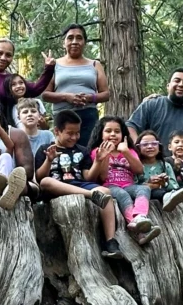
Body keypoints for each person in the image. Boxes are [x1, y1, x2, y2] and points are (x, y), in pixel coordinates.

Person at [35, 110, 123, 259]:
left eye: (77, 133)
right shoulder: (45, 149)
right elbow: (39, 178)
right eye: (70, 133)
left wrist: (98, 161)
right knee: (46, 181)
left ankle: (111, 241)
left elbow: (89, 177)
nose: (75, 137)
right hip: (56, 187)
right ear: (57, 131)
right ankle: (91, 195)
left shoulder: (82, 151)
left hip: (78, 184)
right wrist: (48, 160)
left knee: (105, 192)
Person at [87, 117, 157, 245]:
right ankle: (134, 223)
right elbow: (102, 177)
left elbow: (139, 170)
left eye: (117, 131)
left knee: (144, 188)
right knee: (122, 194)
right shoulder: (97, 151)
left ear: (123, 134)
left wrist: (125, 151)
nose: (113, 134)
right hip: (110, 186)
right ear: (101, 134)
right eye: (108, 131)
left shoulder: (129, 150)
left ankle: (140, 216)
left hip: (129, 185)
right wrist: (105, 155)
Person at [41, 25, 109, 143]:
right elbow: (45, 94)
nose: (74, 42)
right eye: (70, 38)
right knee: (64, 154)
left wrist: (90, 98)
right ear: (64, 43)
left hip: (88, 116)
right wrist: (67, 97)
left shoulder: (95, 64)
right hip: (63, 117)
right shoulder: (54, 64)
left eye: (79, 38)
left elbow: (106, 94)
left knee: (88, 152)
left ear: (84, 42)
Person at [126, 68, 183, 149]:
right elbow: (130, 126)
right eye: (177, 80)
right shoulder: (152, 105)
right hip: (157, 163)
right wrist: (138, 148)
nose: (181, 84)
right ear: (168, 86)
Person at [136, 129, 183, 212]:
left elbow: (175, 186)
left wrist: (165, 182)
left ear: (159, 147)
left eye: (154, 144)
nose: (150, 147)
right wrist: (149, 183)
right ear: (138, 148)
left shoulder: (165, 165)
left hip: (165, 191)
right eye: (145, 144)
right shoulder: (136, 166)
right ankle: (165, 197)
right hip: (145, 195)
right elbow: (132, 185)